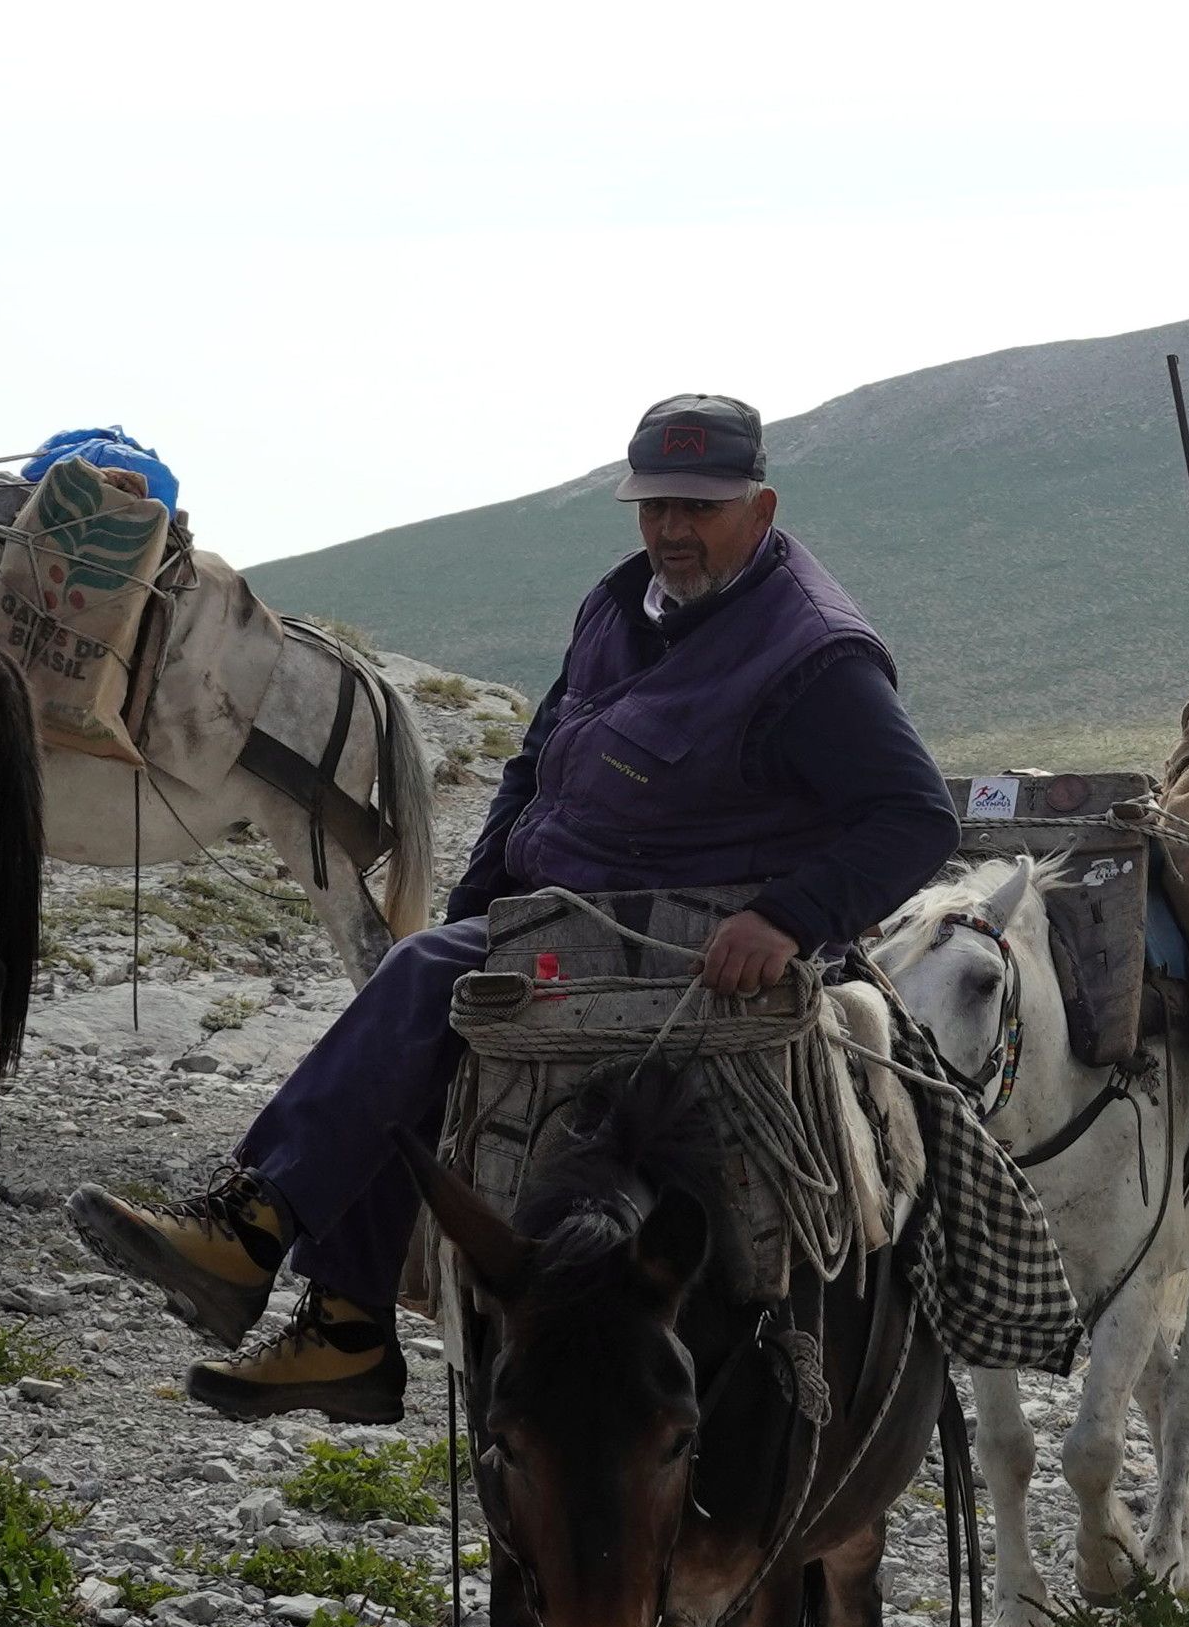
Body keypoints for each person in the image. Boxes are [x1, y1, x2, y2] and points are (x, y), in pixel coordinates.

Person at [66, 393, 960, 1422]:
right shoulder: (621, 606)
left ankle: (253, 1232)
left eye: (699, 508)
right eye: (654, 504)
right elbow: (536, 762)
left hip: (685, 938)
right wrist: (480, 899)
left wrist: (789, 917)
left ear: (758, 509)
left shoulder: (812, 654)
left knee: (417, 982)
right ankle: (343, 1327)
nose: (671, 529)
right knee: (432, 999)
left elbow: (913, 815)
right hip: (562, 919)